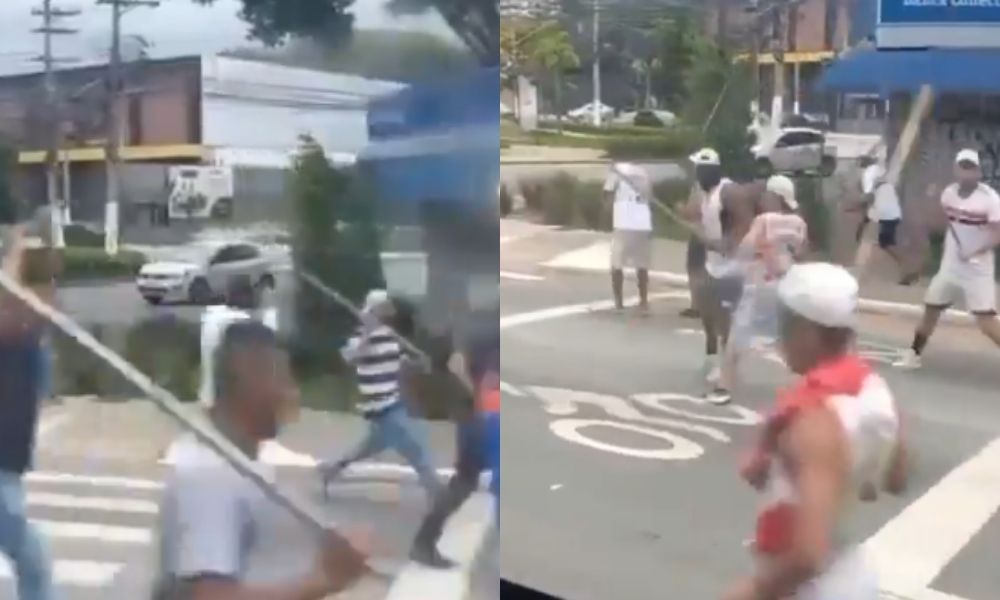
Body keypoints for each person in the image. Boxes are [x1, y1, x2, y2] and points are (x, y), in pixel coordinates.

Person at [724, 263, 908, 600]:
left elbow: (809, 554)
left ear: (808, 332)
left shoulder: (814, 421)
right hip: (852, 573)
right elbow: (895, 478)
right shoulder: (874, 389)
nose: (780, 338)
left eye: (786, 326)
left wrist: (754, 591)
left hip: (812, 588)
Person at [156, 321, 370, 600]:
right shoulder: (209, 476)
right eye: (285, 379)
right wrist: (324, 581)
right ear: (251, 378)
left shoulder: (241, 464)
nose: (293, 394)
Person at [319, 290, 443, 502]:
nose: (388, 312)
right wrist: (368, 330)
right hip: (383, 407)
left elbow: (396, 362)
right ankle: (438, 497)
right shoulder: (361, 337)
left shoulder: (389, 334)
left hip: (394, 402)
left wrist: (419, 364)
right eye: (383, 308)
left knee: (368, 447)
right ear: (374, 310)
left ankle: (332, 469)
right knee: (417, 450)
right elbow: (348, 357)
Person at [894, 149, 1000, 370]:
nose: (966, 173)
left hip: (977, 269)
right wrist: (931, 200)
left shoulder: (989, 199)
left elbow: (997, 233)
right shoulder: (948, 194)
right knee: (931, 309)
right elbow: (937, 223)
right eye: (962, 167)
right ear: (956, 169)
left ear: (979, 172)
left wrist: (975, 250)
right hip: (950, 267)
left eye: (971, 168)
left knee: (986, 321)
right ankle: (914, 354)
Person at [411, 318, 499, 568]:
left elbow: (456, 363)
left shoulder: (479, 327)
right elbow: (467, 370)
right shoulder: (490, 332)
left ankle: (424, 541)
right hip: (482, 417)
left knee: (465, 482)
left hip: (473, 415)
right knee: (466, 482)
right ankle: (424, 542)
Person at [714, 175, 808, 405]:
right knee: (786, 339)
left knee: (737, 336)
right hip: (786, 284)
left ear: (774, 197)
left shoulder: (764, 220)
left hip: (758, 285)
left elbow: (745, 249)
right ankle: (803, 391)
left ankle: (724, 386)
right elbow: (801, 253)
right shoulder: (798, 223)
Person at [0, 226, 57, 600]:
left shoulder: (31, 338)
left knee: (32, 558)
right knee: (31, 556)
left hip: (10, 461)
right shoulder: (12, 327)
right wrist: (16, 250)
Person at [682, 148, 762, 394]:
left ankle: (726, 367)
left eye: (698, 170)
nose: (695, 174)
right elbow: (694, 213)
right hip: (714, 261)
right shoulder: (704, 192)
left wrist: (729, 244)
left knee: (726, 317)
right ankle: (712, 354)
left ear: (709, 170)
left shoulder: (729, 192)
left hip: (734, 263)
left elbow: (746, 223)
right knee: (709, 311)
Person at [855, 156, 918, 285]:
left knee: (871, 240)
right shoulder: (880, 171)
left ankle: (859, 273)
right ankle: (906, 267)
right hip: (891, 211)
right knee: (885, 242)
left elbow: (869, 196)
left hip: (883, 212)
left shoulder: (868, 173)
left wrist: (857, 205)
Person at [604, 162, 654, 314]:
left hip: (623, 222)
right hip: (643, 222)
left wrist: (608, 215)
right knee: (642, 265)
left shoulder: (616, 171)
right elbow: (649, 198)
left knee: (617, 264)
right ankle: (643, 301)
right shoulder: (644, 172)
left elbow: (608, 196)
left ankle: (619, 302)